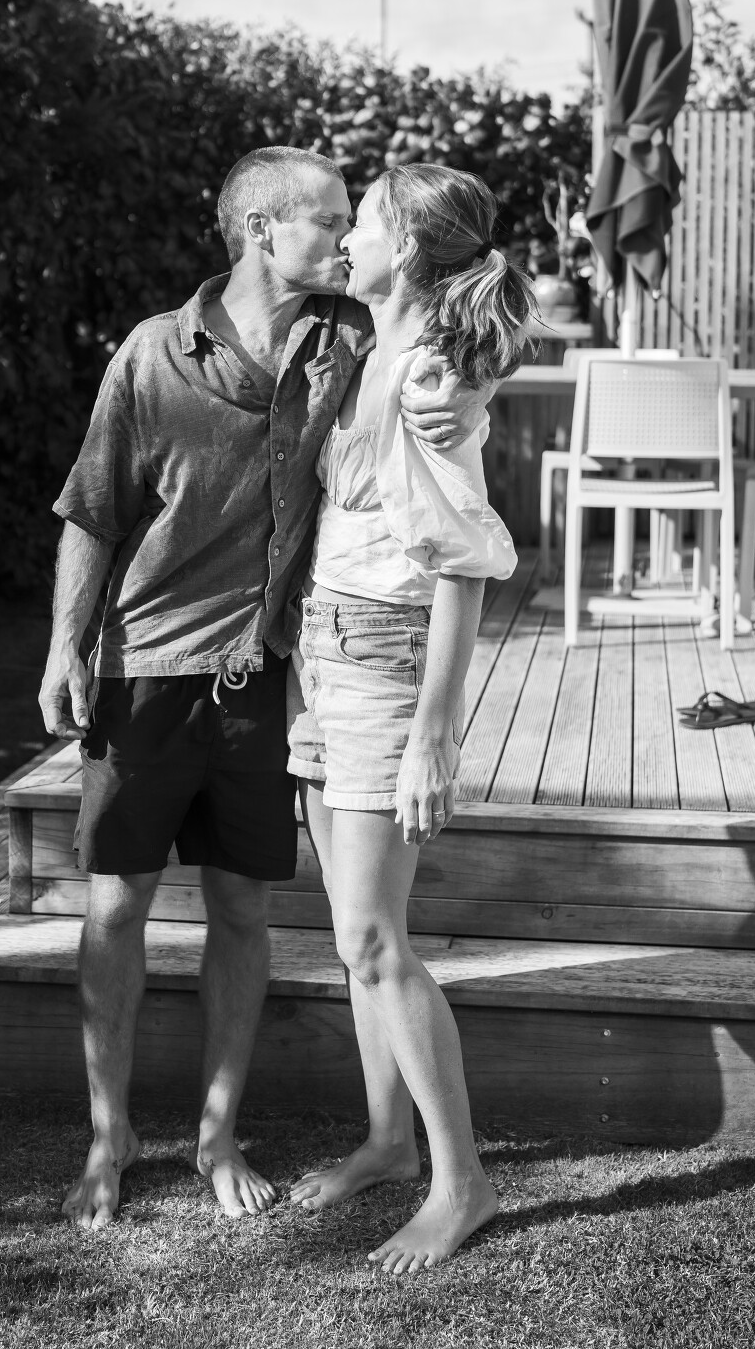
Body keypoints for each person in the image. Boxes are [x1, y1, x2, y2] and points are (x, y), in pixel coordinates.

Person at [37, 146, 491, 1231]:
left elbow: (458, 317)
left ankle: (217, 1134)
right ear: (259, 230)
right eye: (327, 218)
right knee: (116, 903)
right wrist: (64, 646)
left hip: (268, 671)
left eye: (350, 220)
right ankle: (108, 1136)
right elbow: (92, 508)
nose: (342, 236)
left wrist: (474, 393)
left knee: (246, 908)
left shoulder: (346, 336)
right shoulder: (153, 352)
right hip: (147, 664)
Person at [285, 164, 532, 1273]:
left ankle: (459, 1181)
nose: (346, 239)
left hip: (384, 658)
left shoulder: (428, 373)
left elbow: (463, 563)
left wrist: (435, 731)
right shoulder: (374, 346)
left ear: (412, 251)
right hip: (324, 645)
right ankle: (388, 1141)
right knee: (354, 936)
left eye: (365, 224)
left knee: (373, 939)